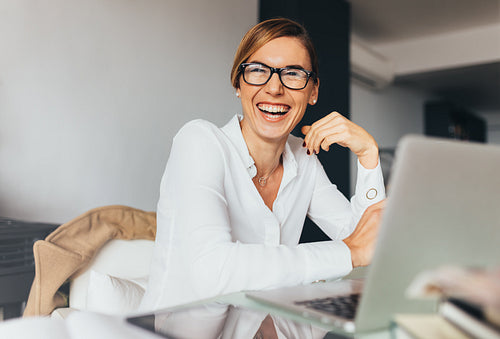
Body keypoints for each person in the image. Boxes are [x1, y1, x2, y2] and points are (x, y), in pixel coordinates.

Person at [141, 18, 386, 311]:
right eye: (258, 71)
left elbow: (371, 245)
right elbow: (213, 271)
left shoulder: (304, 159)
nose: (274, 88)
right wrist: (348, 252)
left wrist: (369, 156)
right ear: (237, 83)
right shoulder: (199, 141)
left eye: (293, 74)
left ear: (313, 91)